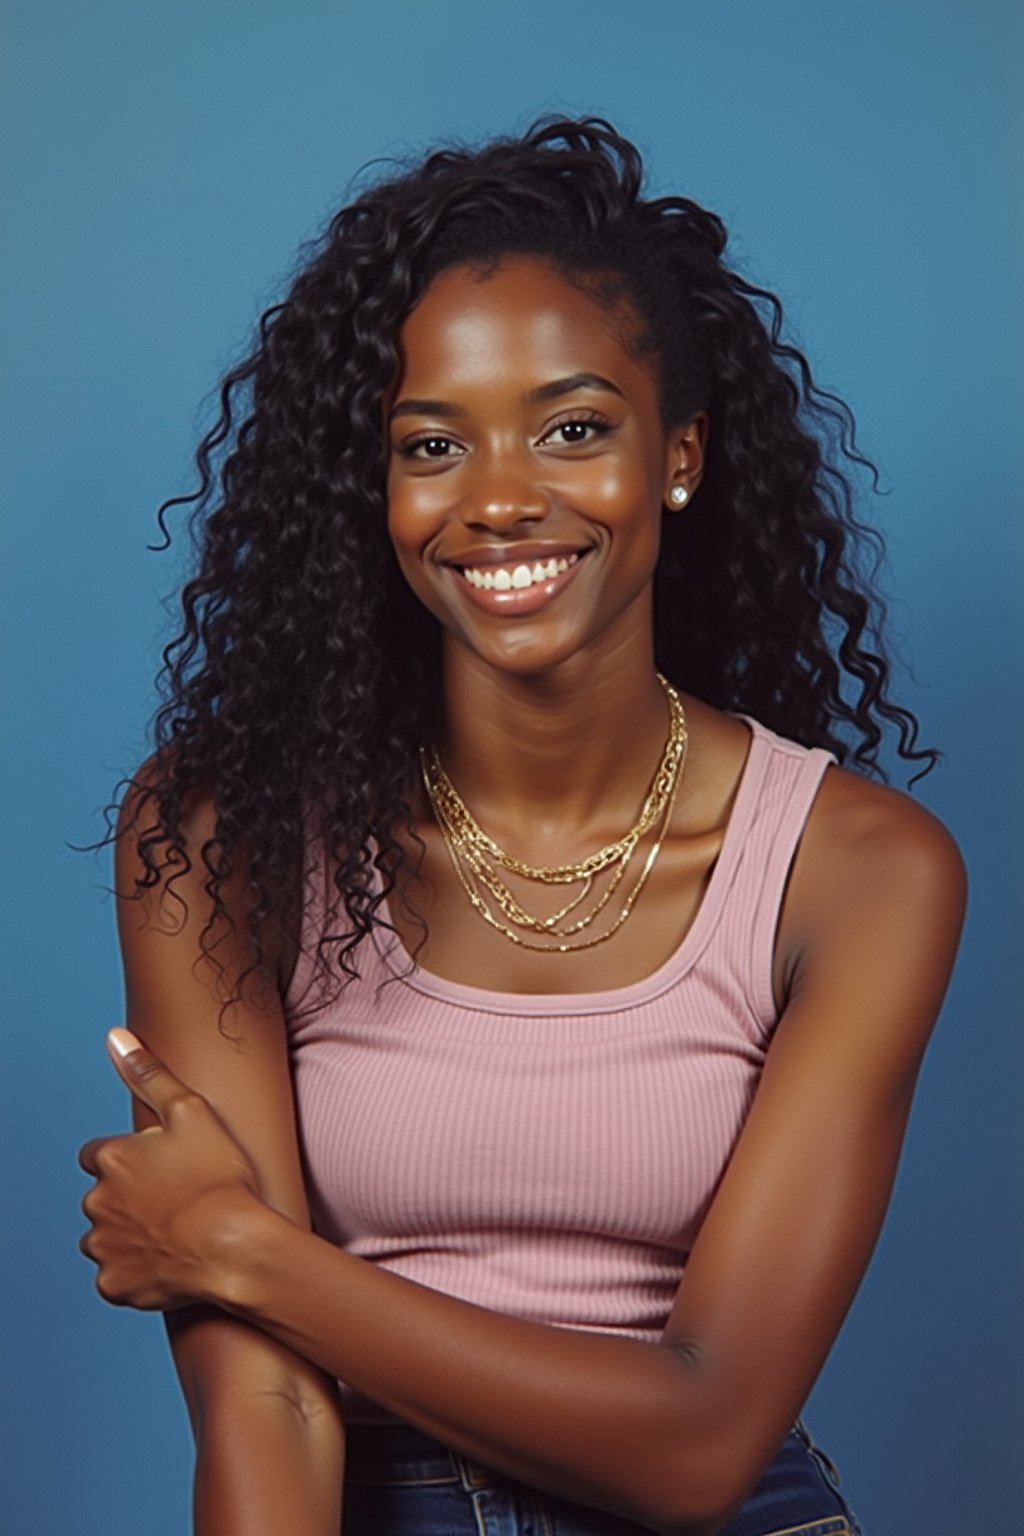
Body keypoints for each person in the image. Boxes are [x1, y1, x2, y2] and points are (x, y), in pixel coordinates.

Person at [77, 117, 967, 1536]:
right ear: (371, 490)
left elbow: (699, 1444)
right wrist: (245, 1280)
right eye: (431, 443)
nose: (498, 499)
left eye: (571, 428)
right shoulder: (222, 832)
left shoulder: (855, 873)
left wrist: (241, 1248)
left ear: (676, 455)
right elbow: (267, 1402)